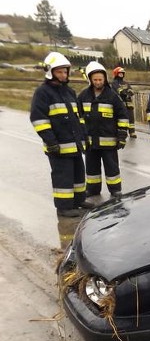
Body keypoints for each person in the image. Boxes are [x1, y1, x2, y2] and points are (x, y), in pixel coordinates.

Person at [30, 52, 93, 218]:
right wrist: (51, 142)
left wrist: (84, 137)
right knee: (63, 178)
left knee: (79, 175)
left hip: (75, 145)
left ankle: (79, 200)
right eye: (60, 72)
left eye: (65, 71)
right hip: (58, 146)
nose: (63, 75)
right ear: (50, 71)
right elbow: (39, 120)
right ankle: (64, 207)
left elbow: (79, 118)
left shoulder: (69, 92)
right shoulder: (43, 93)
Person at [78, 61, 129, 198]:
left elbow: (123, 116)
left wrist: (122, 136)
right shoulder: (83, 96)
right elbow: (78, 117)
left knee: (112, 168)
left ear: (105, 79)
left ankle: (115, 190)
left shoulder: (112, 96)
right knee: (91, 168)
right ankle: (93, 189)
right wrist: (81, 137)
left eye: (100, 79)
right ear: (90, 79)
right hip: (90, 143)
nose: (98, 82)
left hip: (109, 142)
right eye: (95, 80)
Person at [111, 66, 137, 138]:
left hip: (129, 104)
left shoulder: (126, 83)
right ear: (116, 74)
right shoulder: (114, 83)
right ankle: (121, 132)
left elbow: (131, 90)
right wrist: (125, 94)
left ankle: (132, 132)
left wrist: (129, 94)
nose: (121, 75)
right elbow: (119, 90)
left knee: (131, 119)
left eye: (122, 73)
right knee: (121, 119)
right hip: (121, 104)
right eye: (120, 73)